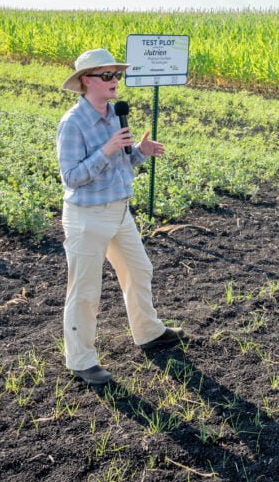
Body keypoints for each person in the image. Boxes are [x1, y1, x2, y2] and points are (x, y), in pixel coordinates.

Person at [56, 48, 185, 387]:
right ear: (86, 81)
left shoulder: (116, 113)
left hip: (119, 210)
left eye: (117, 75)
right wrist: (107, 149)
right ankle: (81, 360)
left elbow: (122, 165)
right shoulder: (72, 123)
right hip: (87, 217)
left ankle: (148, 332)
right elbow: (70, 177)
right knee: (85, 291)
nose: (115, 81)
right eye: (107, 75)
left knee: (140, 269)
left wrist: (140, 153)